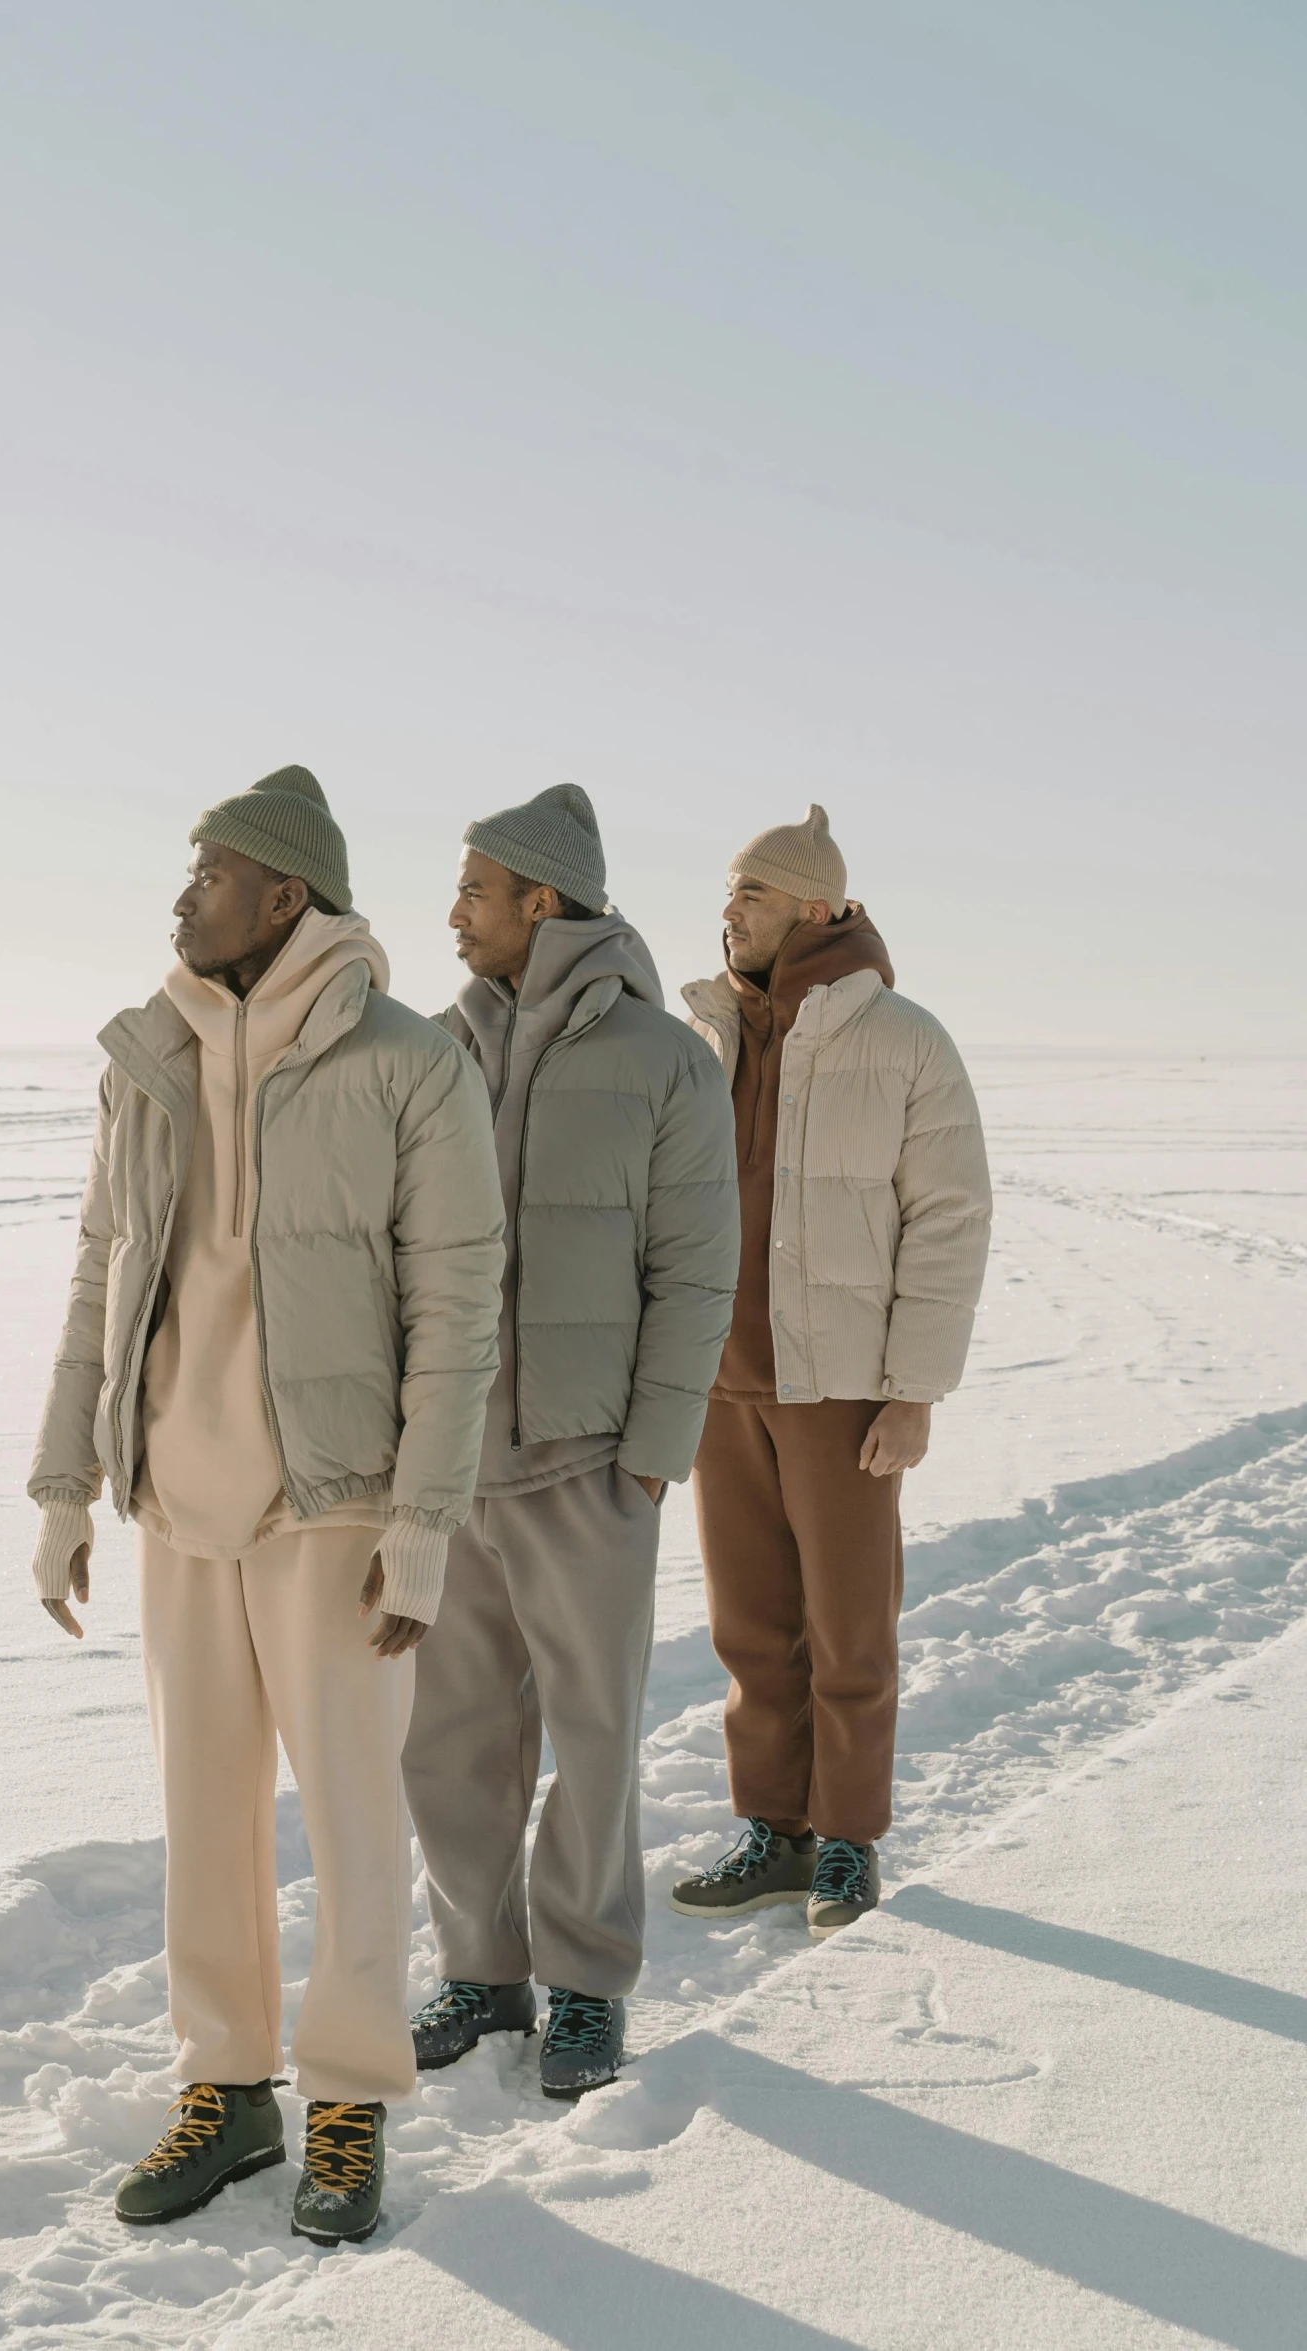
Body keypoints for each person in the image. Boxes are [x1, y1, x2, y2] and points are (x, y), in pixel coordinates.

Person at [26, 766, 504, 2245]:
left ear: (285, 894)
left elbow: (456, 1307)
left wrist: (420, 1519)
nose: (183, 896)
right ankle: (226, 2086)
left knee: (355, 1814)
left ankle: (348, 2092)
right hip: (177, 1492)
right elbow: (103, 1270)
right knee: (201, 1814)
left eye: (211, 871)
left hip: (337, 1504)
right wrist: (64, 1485)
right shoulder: (147, 1051)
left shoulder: (408, 1061)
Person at [402, 784, 740, 2096]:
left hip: (586, 1458)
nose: (455, 912)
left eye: (474, 889)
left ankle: (587, 1981)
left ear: (541, 901)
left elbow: (694, 1270)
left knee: (593, 1731)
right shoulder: (429, 1047)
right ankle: (481, 1970)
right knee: (447, 1732)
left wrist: (650, 1447)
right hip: (448, 1465)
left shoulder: (663, 1059)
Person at [672, 804, 990, 1938]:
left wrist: (913, 1390)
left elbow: (948, 1218)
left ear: (811, 906)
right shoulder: (707, 1032)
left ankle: (847, 1840)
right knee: (750, 1629)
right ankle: (773, 1831)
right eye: (727, 893)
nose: (727, 913)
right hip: (719, 1385)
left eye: (748, 894)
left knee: (850, 1627)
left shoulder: (902, 1037)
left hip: (843, 1385)